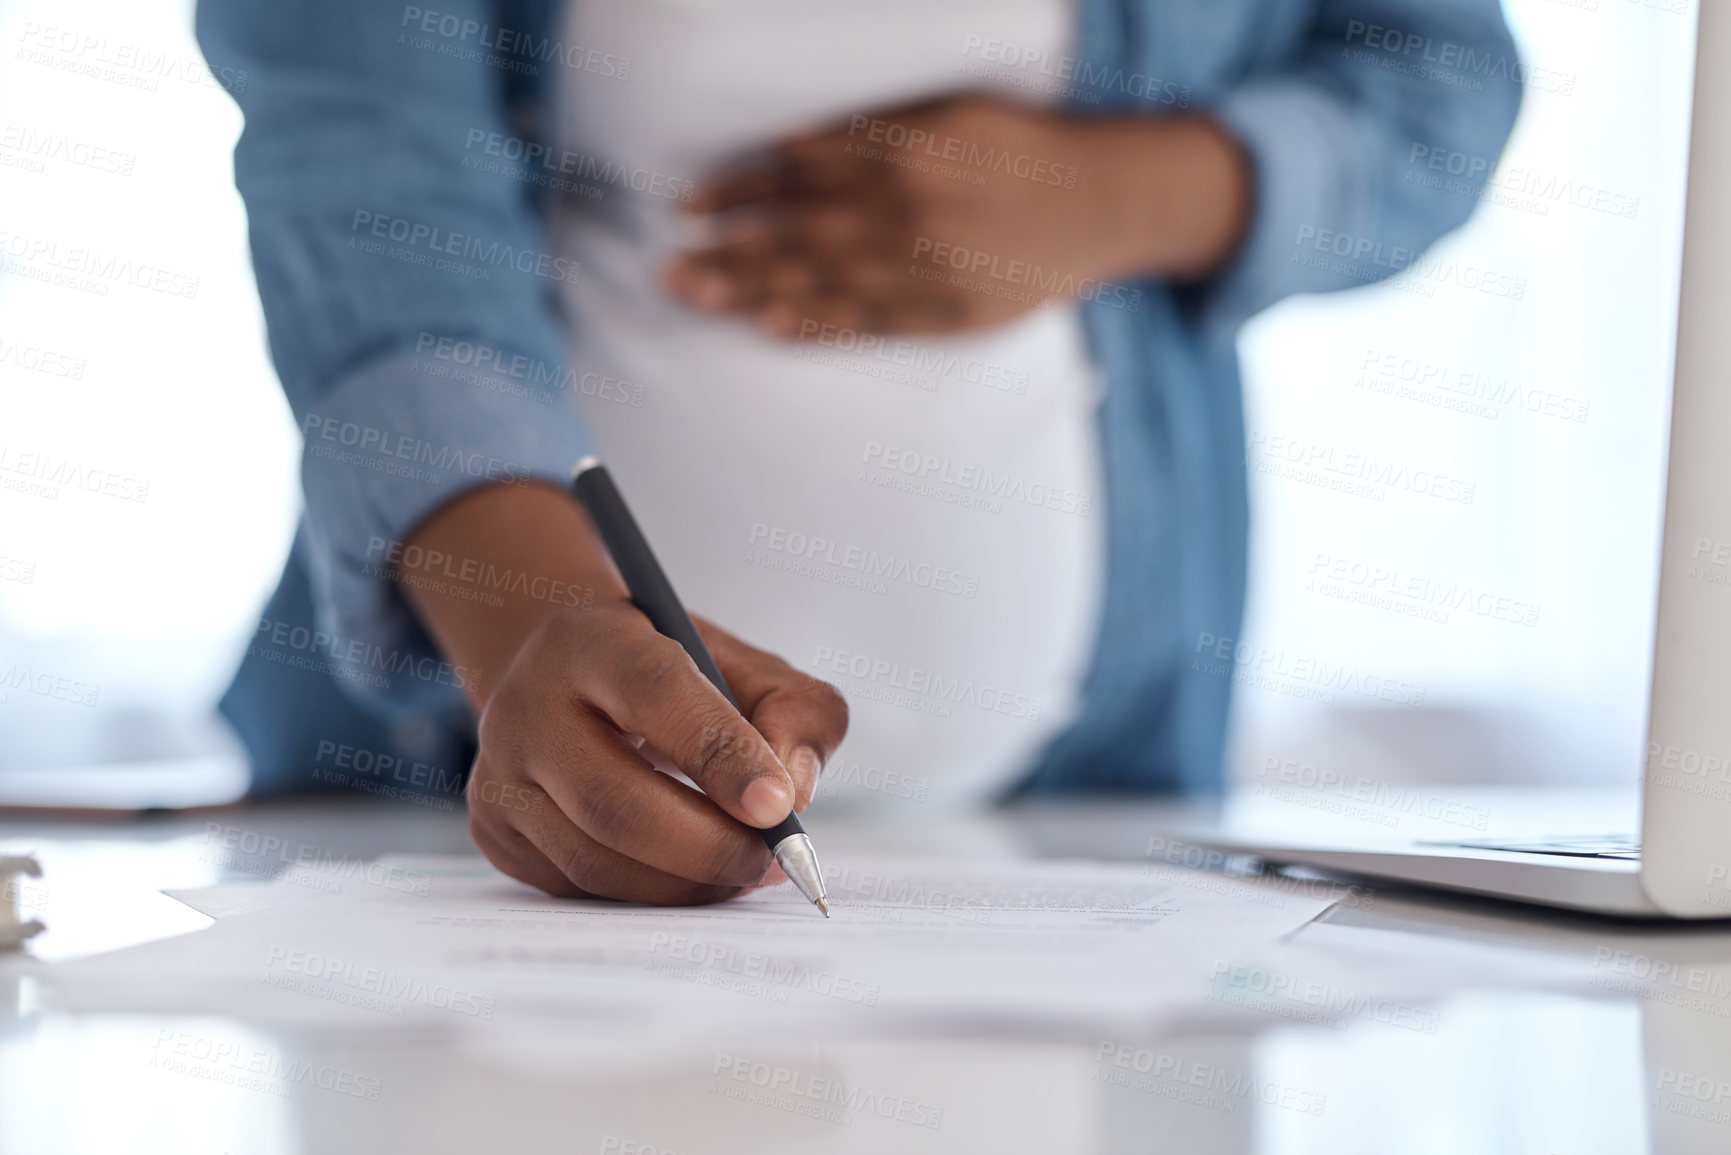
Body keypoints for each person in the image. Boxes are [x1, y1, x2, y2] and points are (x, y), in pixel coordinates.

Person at [198, 0, 1520, 903]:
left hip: (1096, 811)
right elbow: (365, 171)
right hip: (444, 802)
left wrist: (1133, 191)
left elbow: (1438, 70)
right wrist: (537, 630)